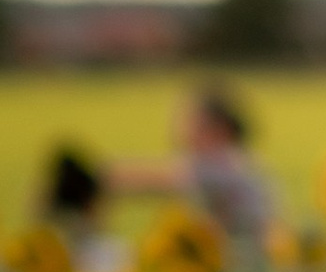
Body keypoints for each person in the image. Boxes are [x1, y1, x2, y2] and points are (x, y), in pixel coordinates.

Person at [106, 86, 277, 261]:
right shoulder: (235, 160)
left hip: (243, 261)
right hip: (234, 256)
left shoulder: (227, 164)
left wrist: (102, 178)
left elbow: (161, 179)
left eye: (190, 121)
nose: (180, 129)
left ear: (219, 128)